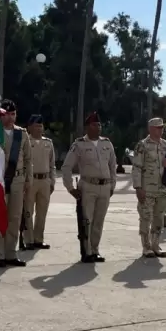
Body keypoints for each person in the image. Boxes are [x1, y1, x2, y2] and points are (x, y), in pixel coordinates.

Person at [0, 99, 32, 268]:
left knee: (15, 218)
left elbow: (28, 159)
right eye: (6, 114)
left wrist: (27, 181)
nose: (10, 117)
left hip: (17, 180)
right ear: (0, 115)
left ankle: (11, 253)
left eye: (13, 114)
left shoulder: (22, 134)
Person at [62, 111, 116, 263]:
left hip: (105, 187)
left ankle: (95, 250)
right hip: (88, 186)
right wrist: (70, 187)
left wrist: (112, 185)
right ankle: (86, 251)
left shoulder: (107, 143)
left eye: (99, 124)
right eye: (94, 125)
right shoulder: (79, 144)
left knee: (99, 221)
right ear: (87, 127)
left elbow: (113, 166)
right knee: (87, 221)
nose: (98, 127)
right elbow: (66, 167)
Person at [132, 117, 166, 258]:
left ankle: (156, 245)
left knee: (159, 218)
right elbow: (136, 167)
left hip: (162, 189)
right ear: (150, 129)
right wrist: (138, 187)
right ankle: (146, 247)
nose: (160, 130)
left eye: (162, 127)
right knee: (145, 218)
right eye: (157, 127)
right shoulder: (142, 145)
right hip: (147, 189)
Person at [23, 114, 55, 250]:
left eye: (41, 126)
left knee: (42, 212)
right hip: (31, 181)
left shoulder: (48, 142)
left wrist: (52, 181)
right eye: (36, 126)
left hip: (45, 181)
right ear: (29, 127)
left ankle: (38, 239)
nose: (39, 128)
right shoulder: (25, 142)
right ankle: (28, 240)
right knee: (28, 212)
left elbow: (52, 164)